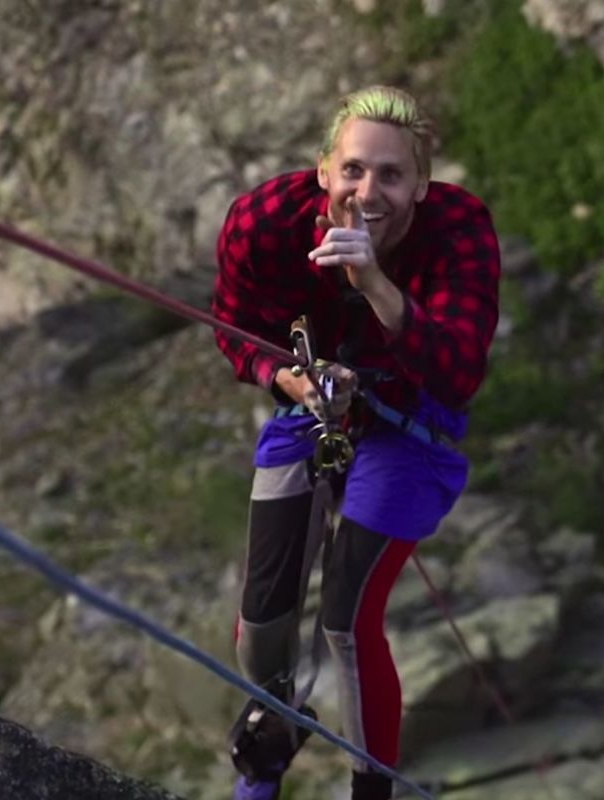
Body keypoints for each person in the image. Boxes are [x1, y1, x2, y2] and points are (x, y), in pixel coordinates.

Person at [210, 85, 501, 800]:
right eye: (353, 171)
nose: (368, 192)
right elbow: (232, 324)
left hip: (410, 422)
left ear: (422, 185)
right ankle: (269, 753)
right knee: (261, 625)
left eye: (392, 176)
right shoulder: (262, 224)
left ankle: (372, 792)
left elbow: (459, 371)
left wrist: (376, 284)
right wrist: (285, 377)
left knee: (345, 621)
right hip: (312, 404)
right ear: (323, 171)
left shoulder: (459, 230)